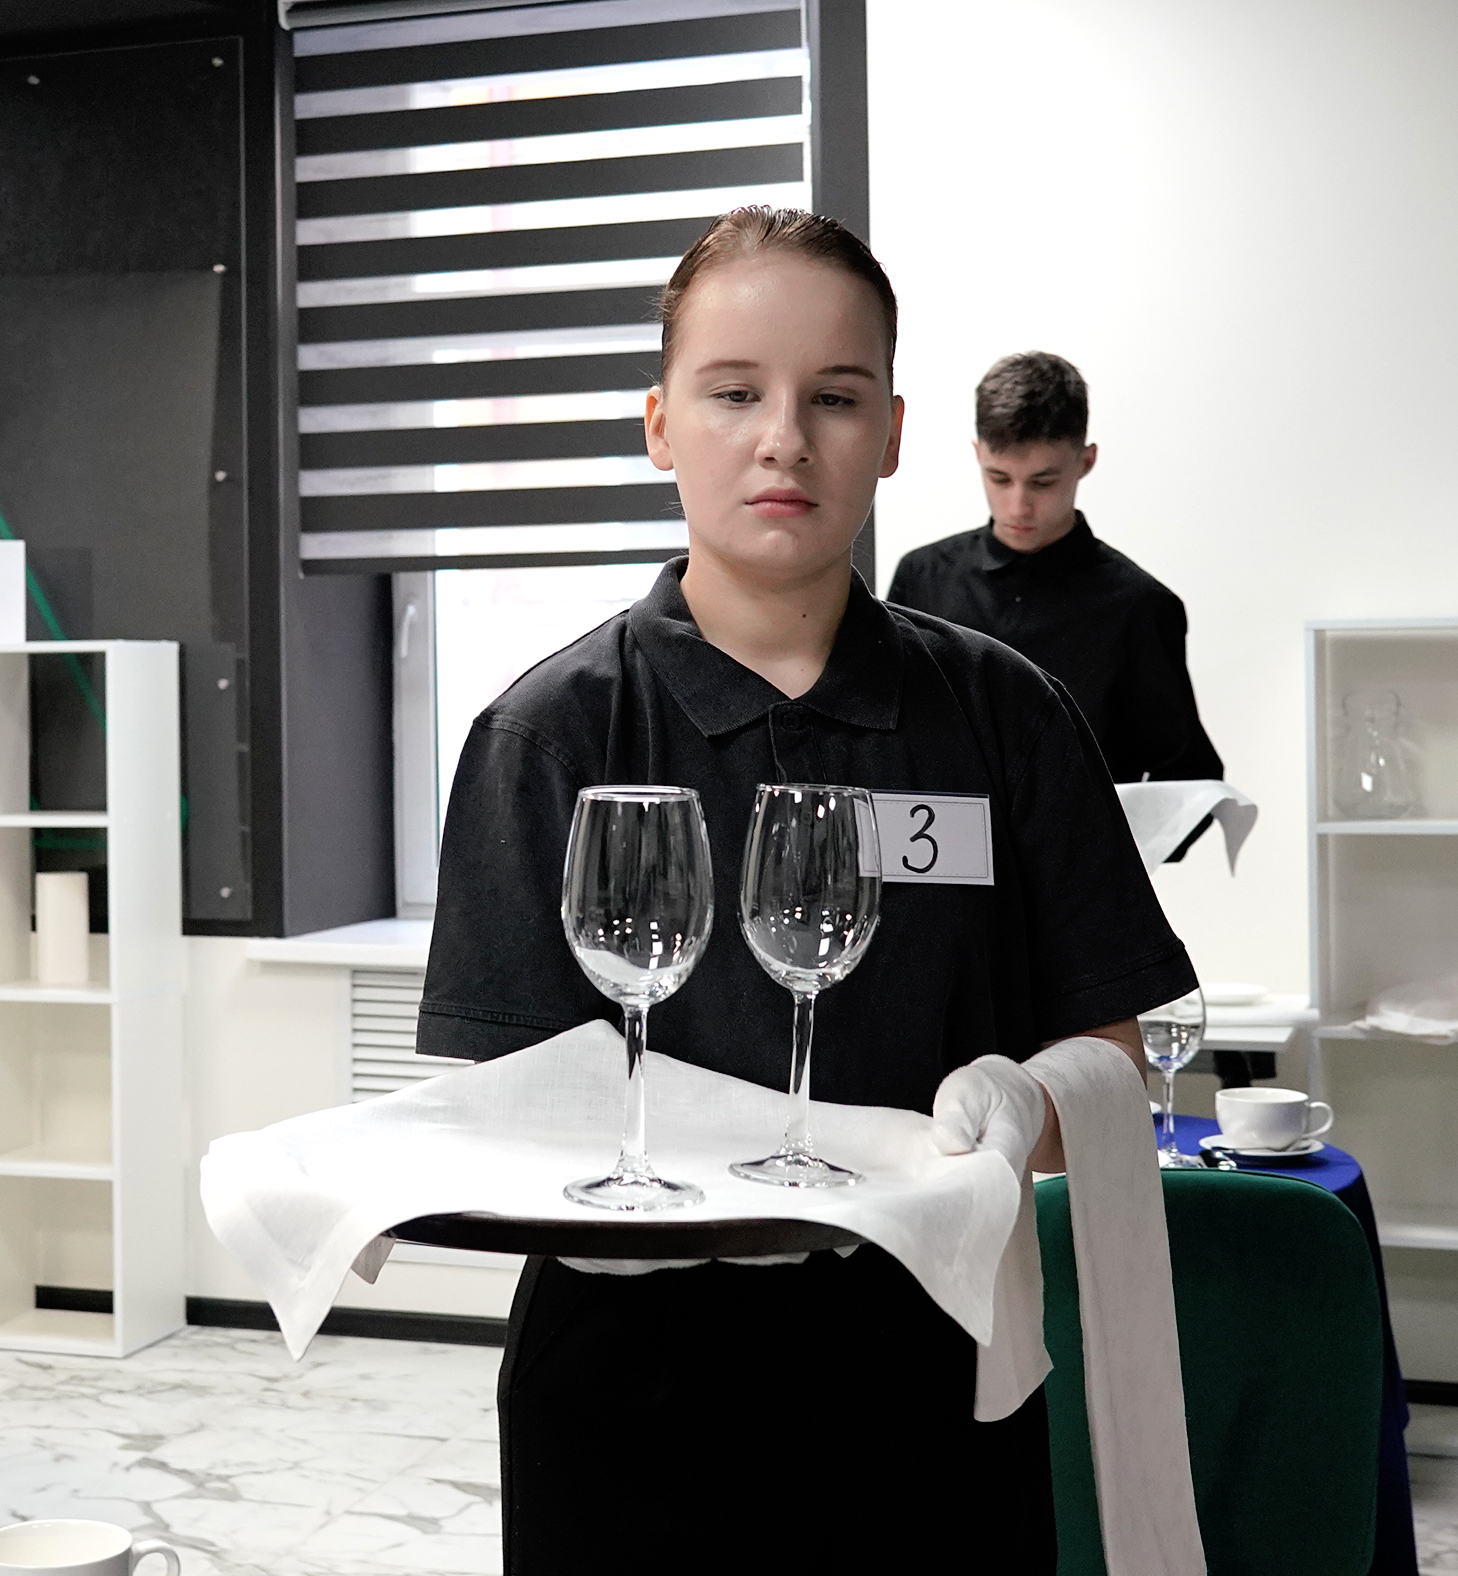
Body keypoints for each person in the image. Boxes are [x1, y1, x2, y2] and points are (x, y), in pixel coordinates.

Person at [416, 209, 1197, 1570]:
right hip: (628, 1396)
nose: (782, 438)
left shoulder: (1007, 717)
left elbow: (1113, 1057)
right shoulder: (548, 737)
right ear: (659, 425)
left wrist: (1027, 1099)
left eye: (832, 398)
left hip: (937, 1369)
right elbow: (500, 1109)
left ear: (888, 435)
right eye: (733, 393)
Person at [885, 351, 1224, 788]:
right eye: (999, 478)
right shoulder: (922, 578)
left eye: (1043, 482)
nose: (1018, 506)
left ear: (1086, 461)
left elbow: (1186, 780)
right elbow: (888, 733)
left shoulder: (1140, 608)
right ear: (977, 453)